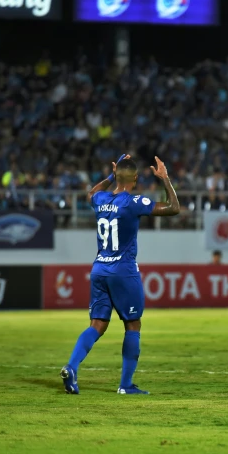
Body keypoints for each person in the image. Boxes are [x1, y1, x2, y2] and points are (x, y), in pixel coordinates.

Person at [60, 154, 180, 396]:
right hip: (123, 271)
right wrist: (165, 179)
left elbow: (90, 194)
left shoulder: (101, 198)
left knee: (97, 324)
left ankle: (71, 367)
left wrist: (108, 177)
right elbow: (173, 208)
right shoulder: (132, 201)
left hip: (99, 269)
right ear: (135, 178)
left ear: (116, 175)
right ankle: (125, 385)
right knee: (133, 324)